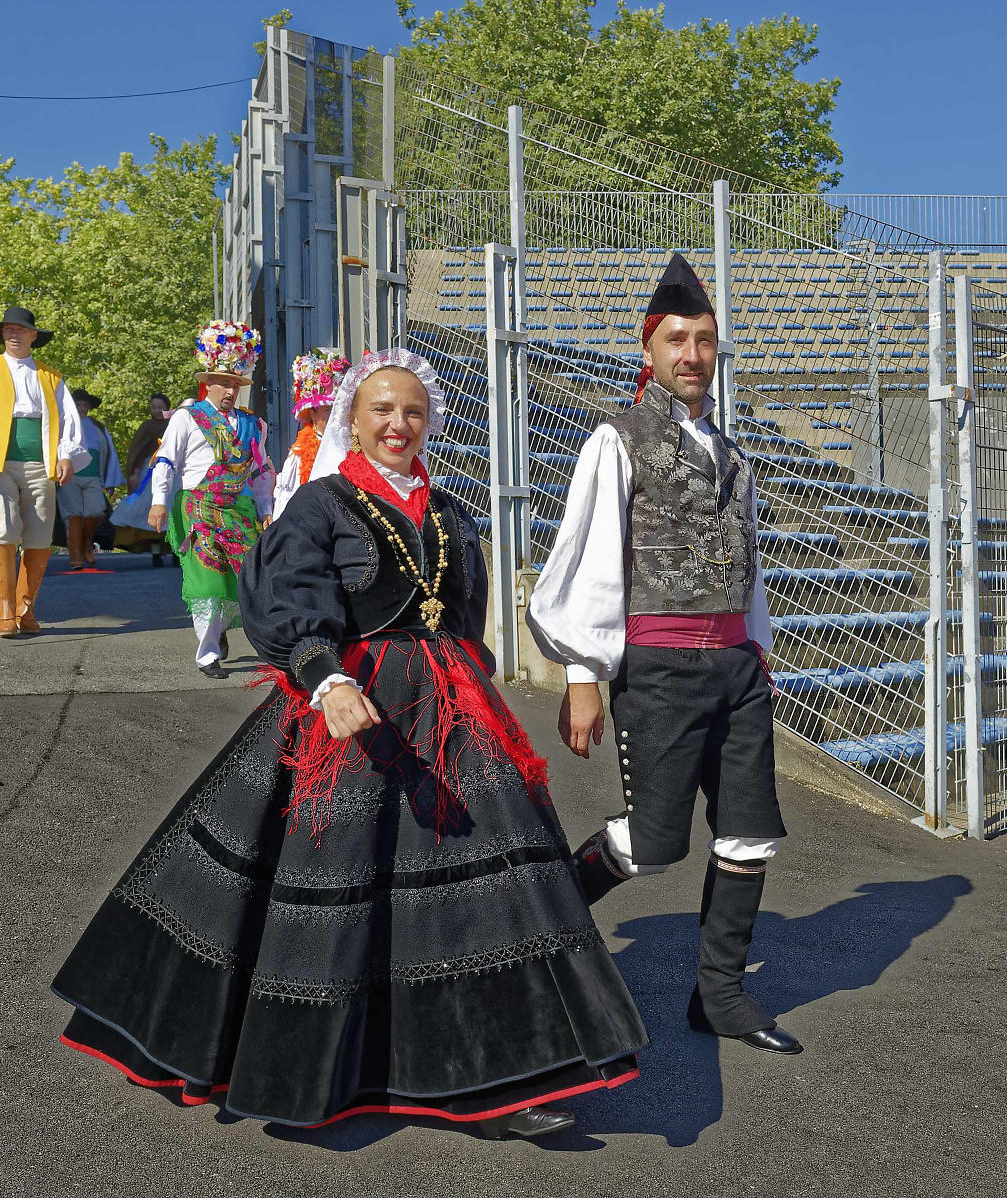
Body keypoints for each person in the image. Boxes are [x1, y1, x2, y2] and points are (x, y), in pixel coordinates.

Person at [51, 346, 646, 1138]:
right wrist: (326, 679)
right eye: (382, 410)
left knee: (487, 889)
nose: (399, 423)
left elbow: (465, 619)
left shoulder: (450, 513)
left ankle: (494, 1082)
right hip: (350, 708)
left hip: (453, 717)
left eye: (413, 411)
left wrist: (478, 695)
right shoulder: (321, 506)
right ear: (353, 422)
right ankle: (313, 1070)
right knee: (330, 883)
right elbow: (288, 601)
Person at [527, 253, 801, 1056]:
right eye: (676, 339)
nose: (691, 354)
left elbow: (748, 563)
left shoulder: (735, 455)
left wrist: (759, 650)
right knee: (652, 845)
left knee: (750, 834)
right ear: (648, 349)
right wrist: (584, 674)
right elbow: (589, 556)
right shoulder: (615, 440)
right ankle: (540, 930)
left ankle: (718, 995)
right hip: (659, 668)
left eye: (705, 340)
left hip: (738, 670)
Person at [0, 306, 89, 638]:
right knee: (4, 529)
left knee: (39, 537)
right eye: (8, 330)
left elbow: (68, 421)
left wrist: (65, 456)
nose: (13, 335)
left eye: (20, 330)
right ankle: (5, 610)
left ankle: (26, 608)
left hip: (41, 464)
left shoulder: (50, 378)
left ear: (33, 336)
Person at [149, 321, 275, 678]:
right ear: (207, 383)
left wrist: (265, 510)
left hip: (238, 508)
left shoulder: (255, 425)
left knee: (244, 578)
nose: (230, 391)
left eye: (235, 384)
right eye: (224, 383)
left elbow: (261, 471)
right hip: (199, 506)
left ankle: (220, 632)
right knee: (206, 578)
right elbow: (166, 461)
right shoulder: (188, 417)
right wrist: (159, 501)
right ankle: (207, 655)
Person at [272, 347, 347, 519]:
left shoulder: (353, 442)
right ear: (312, 412)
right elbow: (286, 499)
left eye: (338, 408)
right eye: (328, 409)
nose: (336, 415)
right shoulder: (299, 455)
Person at [57, 389, 125, 570]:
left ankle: (87, 543)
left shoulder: (98, 427)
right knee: (73, 515)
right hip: (70, 476)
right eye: (78, 404)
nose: (81, 408)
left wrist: (110, 481)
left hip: (93, 477)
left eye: (85, 404)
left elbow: (109, 454)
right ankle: (76, 557)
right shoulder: (63, 424)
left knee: (95, 512)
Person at [113, 393, 172, 564]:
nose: (156, 410)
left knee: (173, 508)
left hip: (173, 472)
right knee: (148, 507)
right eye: (153, 407)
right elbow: (137, 451)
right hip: (150, 471)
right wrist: (135, 472)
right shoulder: (147, 426)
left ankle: (176, 552)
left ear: (167, 407)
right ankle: (155, 552)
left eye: (160, 407)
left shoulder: (175, 424)